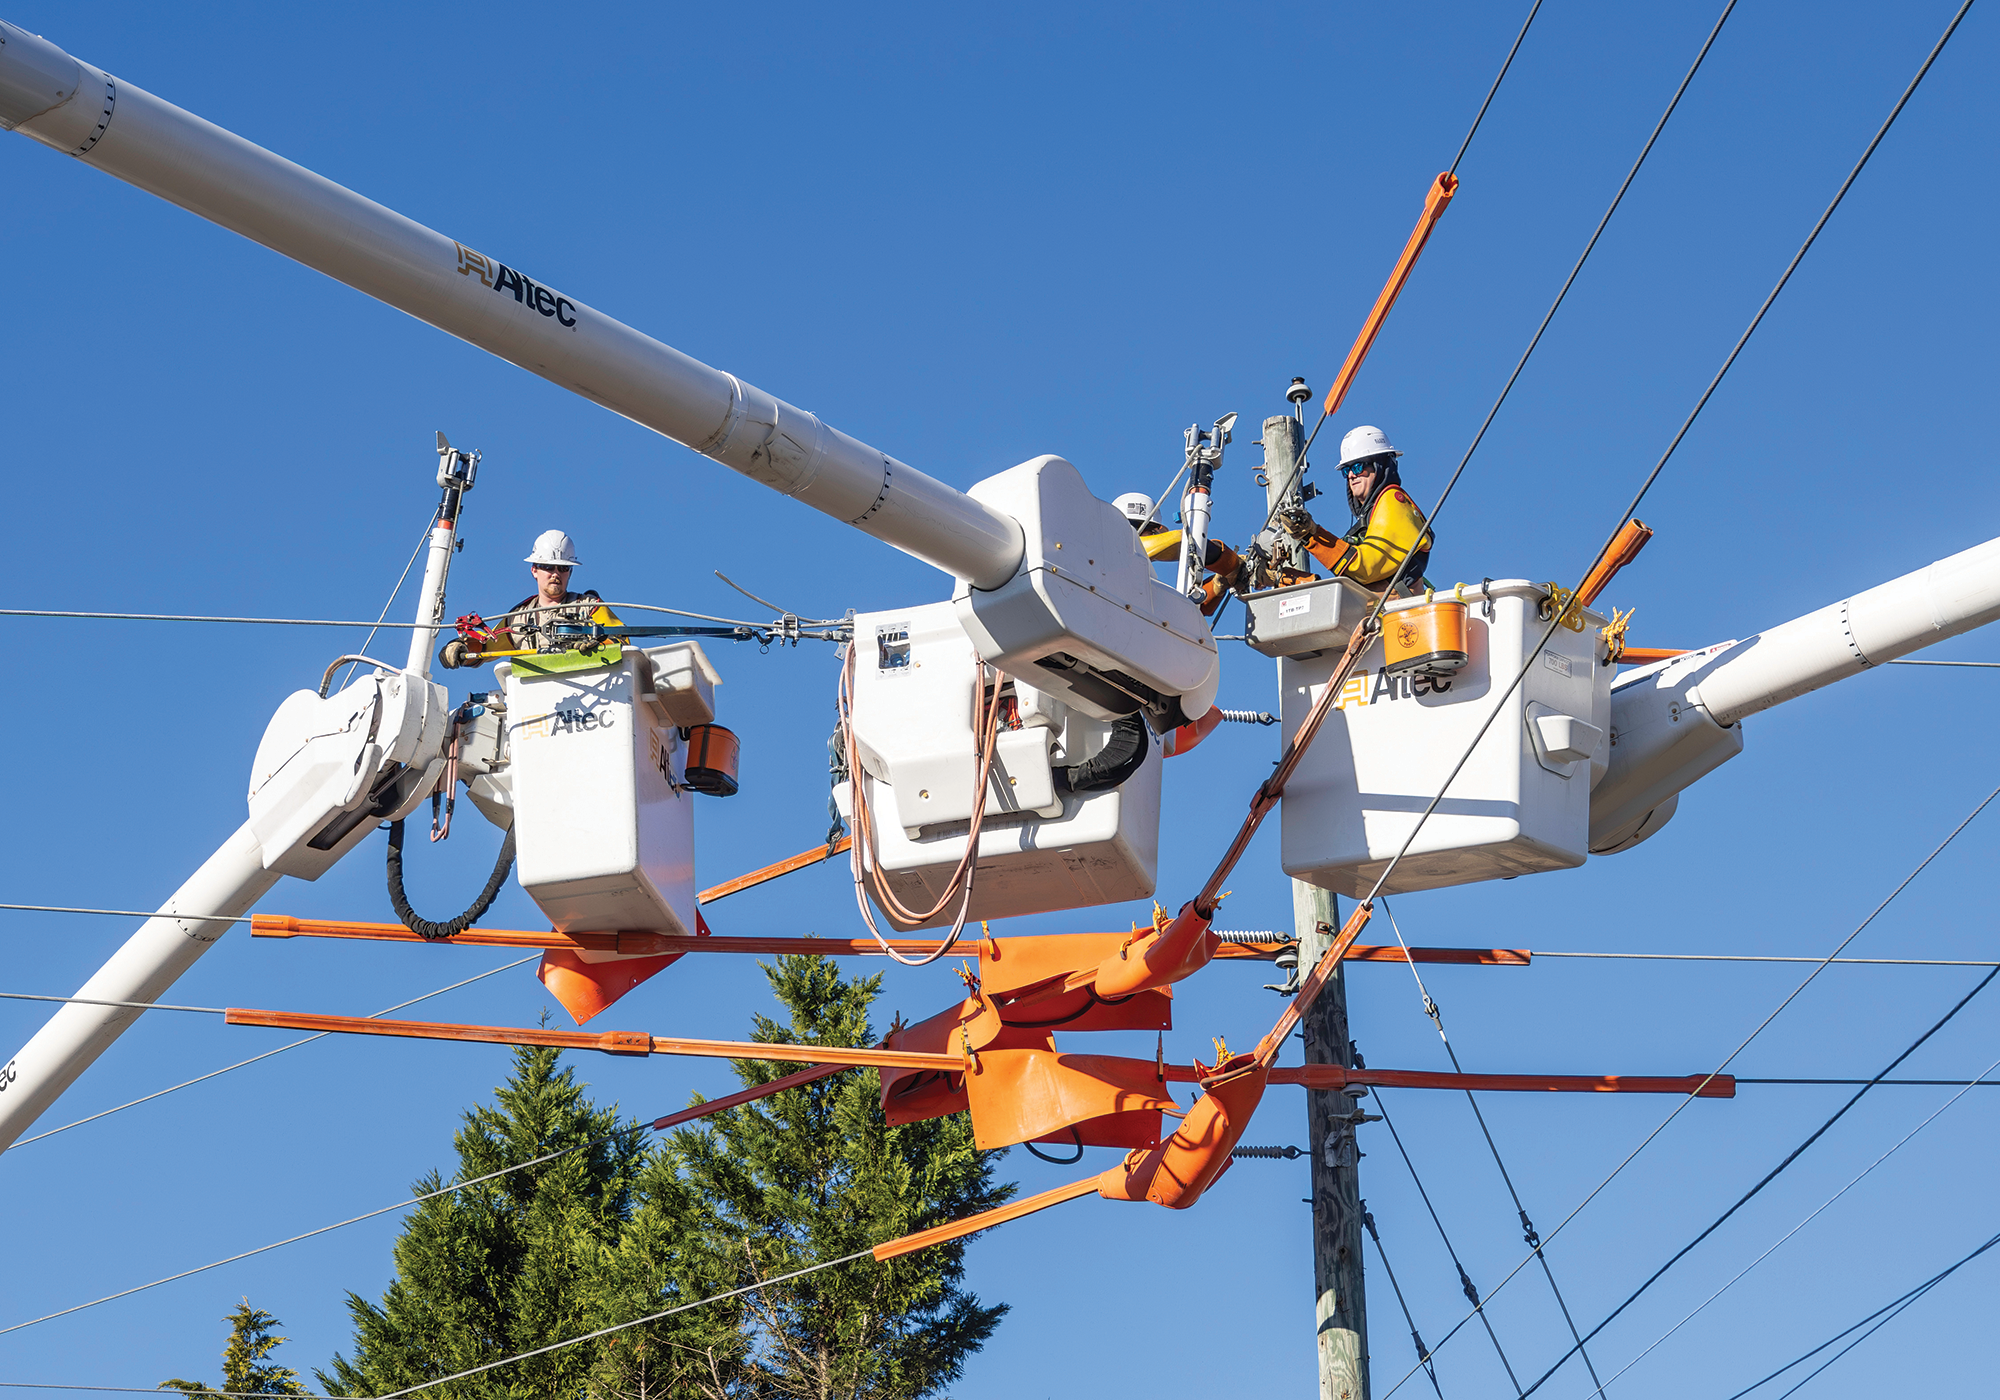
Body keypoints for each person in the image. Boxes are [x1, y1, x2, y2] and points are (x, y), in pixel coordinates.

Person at [439, 529, 619, 667]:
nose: (555, 574)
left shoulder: (590, 607)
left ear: (570, 572)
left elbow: (621, 640)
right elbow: (486, 648)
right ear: (534, 570)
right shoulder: (518, 618)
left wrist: (599, 643)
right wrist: (460, 648)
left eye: (562, 568)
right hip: (535, 697)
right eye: (548, 567)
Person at [1286, 424, 1432, 593]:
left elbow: (1366, 566)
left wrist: (1312, 535)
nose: (1351, 475)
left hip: (1397, 611)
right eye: (1346, 470)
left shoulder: (1392, 501)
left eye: (1358, 466)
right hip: (1375, 612)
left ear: (1380, 466)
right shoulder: (1371, 517)